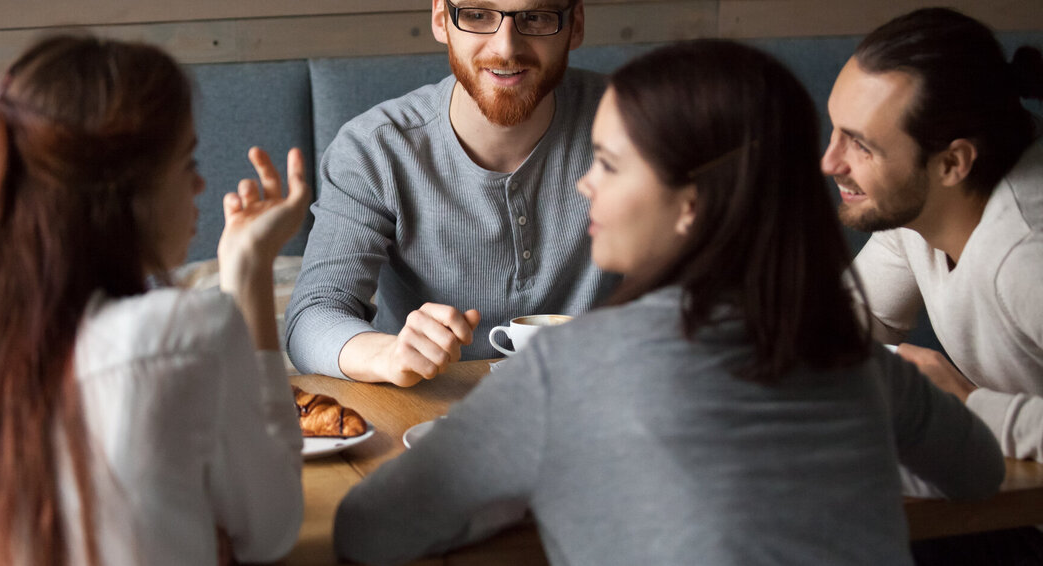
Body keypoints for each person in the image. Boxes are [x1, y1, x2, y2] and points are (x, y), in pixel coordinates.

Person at [332, 39, 1004, 566]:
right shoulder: (849, 354)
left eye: (610, 164)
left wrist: (529, 487)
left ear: (692, 204)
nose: (584, 185)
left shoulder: (567, 371)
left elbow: (368, 531)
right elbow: (978, 473)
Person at [0, 35, 310, 565]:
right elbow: (271, 530)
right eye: (186, 162)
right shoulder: (191, 330)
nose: (201, 184)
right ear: (122, 193)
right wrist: (248, 271)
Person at [285, 0, 615, 386]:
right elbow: (312, 318)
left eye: (536, 17)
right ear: (442, 19)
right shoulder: (375, 150)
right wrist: (387, 354)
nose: (505, 48)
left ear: (574, 24)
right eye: (478, 16)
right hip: (429, 424)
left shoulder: (637, 123)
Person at [822, 7, 1043, 565]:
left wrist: (967, 406)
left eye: (860, 145)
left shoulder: (1028, 255)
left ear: (953, 162)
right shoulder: (921, 213)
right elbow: (840, 323)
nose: (830, 162)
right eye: (835, 129)